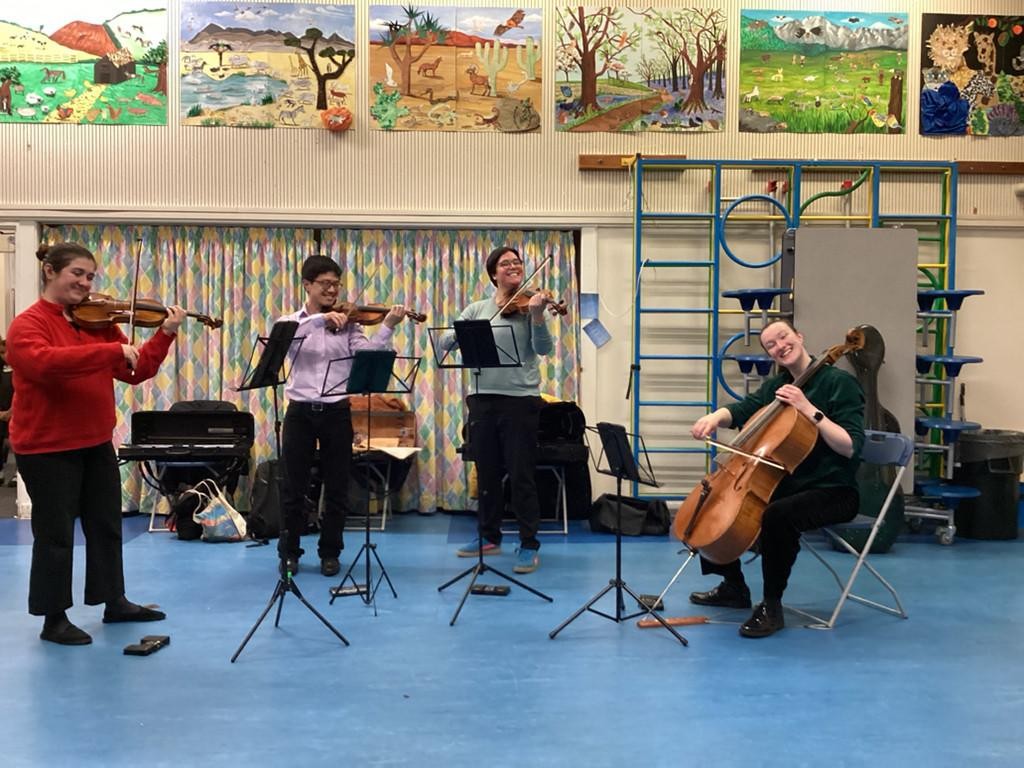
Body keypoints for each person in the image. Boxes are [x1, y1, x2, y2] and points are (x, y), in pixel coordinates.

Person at [6, 243, 186, 645]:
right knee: (55, 535)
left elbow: (136, 370)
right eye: (77, 273)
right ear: (50, 271)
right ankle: (54, 619)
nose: (86, 283)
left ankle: (114, 601)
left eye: (90, 276)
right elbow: (46, 365)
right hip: (46, 447)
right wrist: (109, 350)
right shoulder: (27, 325)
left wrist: (165, 334)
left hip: (95, 440)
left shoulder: (97, 322)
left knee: (106, 527)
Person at [686, 318, 864, 638]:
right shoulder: (777, 387)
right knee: (713, 500)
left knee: (777, 516)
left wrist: (808, 409)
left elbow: (850, 446)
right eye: (771, 345)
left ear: (799, 336)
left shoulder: (839, 383)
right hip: (789, 485)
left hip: (834, 489)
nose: (780, 346)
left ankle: (771, 606)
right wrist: (714, 417)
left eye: (783, 337)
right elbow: (744, 409)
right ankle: (733, 586)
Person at [276, 255, 406, 577]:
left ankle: (330, 552)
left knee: (337, 487)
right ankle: (289, 553)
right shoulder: (290, 321)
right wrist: (321, 320)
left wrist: (388, 325)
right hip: (300, 412)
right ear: (307, 285)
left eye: (336, 284)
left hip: (337, 411)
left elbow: (367, 354)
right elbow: (283, 341)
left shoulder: (350, 325)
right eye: (325, 284)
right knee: (294, 486)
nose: (332, 290)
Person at [448, 246, 556, 574]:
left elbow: (543, 349)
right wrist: (459, 335)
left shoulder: (531, 305)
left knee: (521, 474)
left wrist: (537, 316)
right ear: (493, 273)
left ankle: (529, 543)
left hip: (520, 401)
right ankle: (489, 537)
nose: (513, 266)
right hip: (482, 400)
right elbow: (445, 342)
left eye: (517, 262)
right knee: (487, 474)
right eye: (505, 263)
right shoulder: (477, 309)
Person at [0, 335, 15, 486]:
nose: (4, 356)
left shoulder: (19, 369)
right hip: (2, 410)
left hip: (15, 411)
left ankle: (18, 473)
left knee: (13, 441)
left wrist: (11, 411)